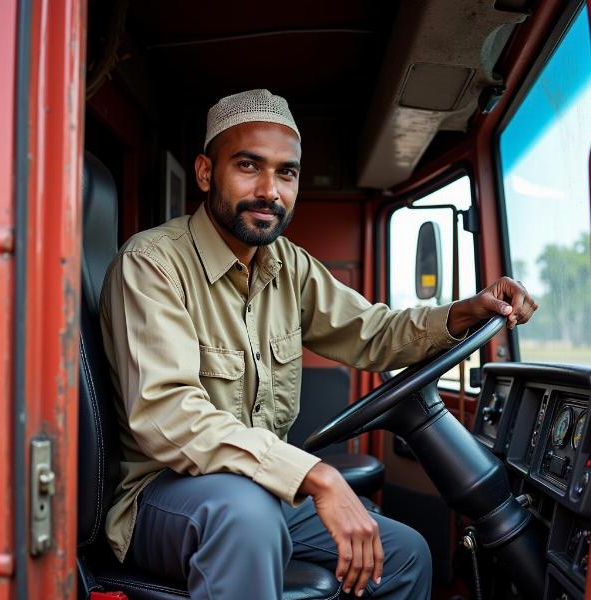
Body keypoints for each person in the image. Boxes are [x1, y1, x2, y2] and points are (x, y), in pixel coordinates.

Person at [100, 89, 537, 599]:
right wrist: (317, 477)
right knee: (248, 518)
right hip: (163, 498)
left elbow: (374, 332)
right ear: (204, 173)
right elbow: (168, 413)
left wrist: (464, 311)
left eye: (286, 173)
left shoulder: (290, 266)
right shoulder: (152, 264)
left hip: (262, 490)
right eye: (248, 166)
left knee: (404, 556)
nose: (270, 191)